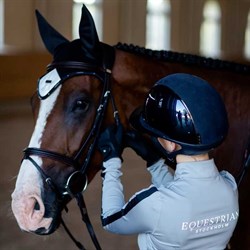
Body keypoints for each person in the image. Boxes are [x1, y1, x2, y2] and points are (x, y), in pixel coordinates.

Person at [97, 73, 239, 250]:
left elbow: (112, 219)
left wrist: (111, 159)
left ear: (171, 144)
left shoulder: (154, 203)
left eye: (157, 136)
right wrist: (155, 163)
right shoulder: (229, 187)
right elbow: (183, 199)